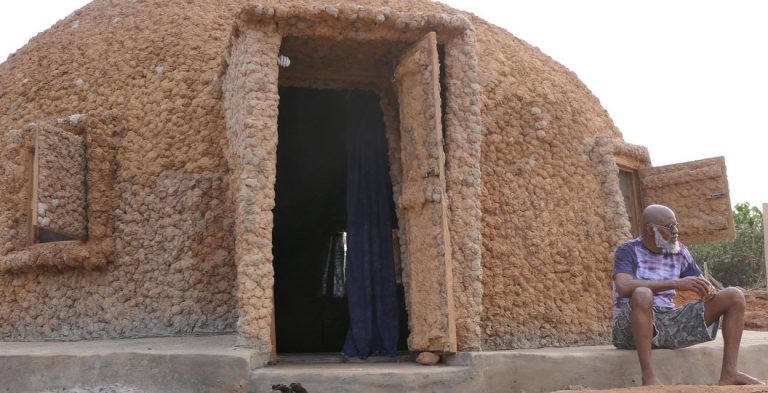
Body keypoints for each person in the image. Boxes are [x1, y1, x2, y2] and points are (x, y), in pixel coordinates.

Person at [612, 204, 763, 386]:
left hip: (668, 322)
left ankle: (729, 373)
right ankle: (649, 377)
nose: (676, 231)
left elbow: (700, 283)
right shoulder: (628, 250)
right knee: (642, 294)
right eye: (670, 227)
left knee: (734, 296)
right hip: (630, 328)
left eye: (676, 225)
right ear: (650, 230)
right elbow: (623, 286)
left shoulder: (679, 251)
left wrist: (707, 290)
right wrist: (676, 283)